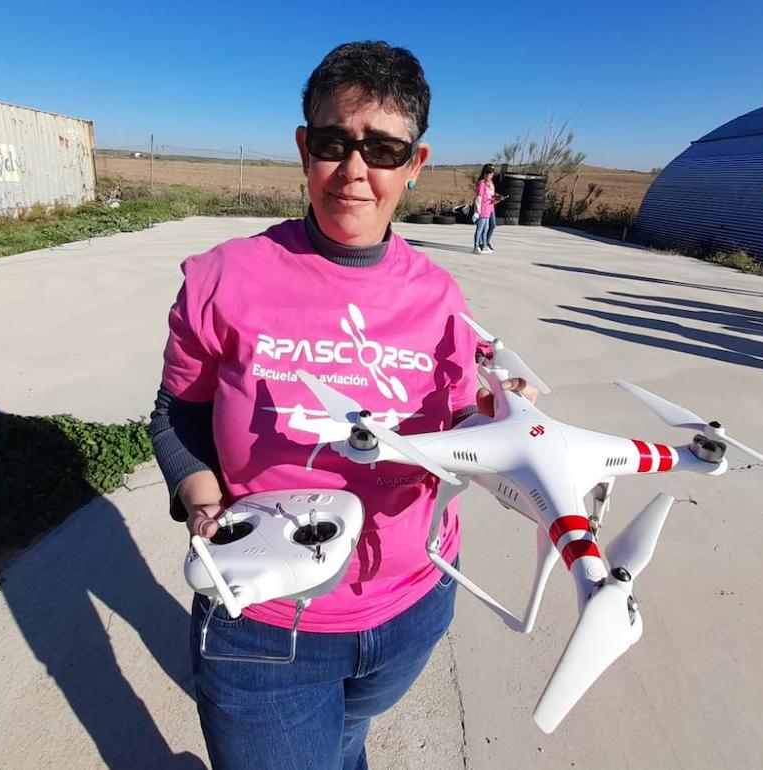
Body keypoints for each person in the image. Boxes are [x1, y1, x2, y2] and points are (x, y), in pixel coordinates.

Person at [149, 41, 533, 770]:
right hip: (266, 623)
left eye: (383, 150)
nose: (355, 171)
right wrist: (201, 503)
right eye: (333, 143)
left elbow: (459, 431)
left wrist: (505, 413)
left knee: (344, 745)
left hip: (414, 607)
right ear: (304, 148)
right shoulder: (223, 278)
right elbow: (178, 413)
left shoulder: (441, 297)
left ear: (413, 165)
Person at [472, 163, 501, 253]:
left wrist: (496, 198)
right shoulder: (482, 183)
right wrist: (477, 211)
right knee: (480, 229)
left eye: (492, 174)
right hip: (482, 210)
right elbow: (478, 198)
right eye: (490, 174)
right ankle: (477, 246)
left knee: (486, 228)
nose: (492, 176)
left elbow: (490, 195)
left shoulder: (490, 183)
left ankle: (484, 244)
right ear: (485, 174)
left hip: (489, 209)